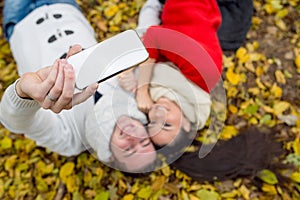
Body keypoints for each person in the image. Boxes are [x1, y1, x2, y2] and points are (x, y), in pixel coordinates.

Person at [0, 0, 158, 173]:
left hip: (21, 20)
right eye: (143, 141)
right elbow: (146, 37)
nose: (133, 137)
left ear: (111, 157)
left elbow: (17, 122)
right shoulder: (134, 94)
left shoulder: (70, 139)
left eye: (128, 150)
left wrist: (23, 92)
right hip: (65, 7)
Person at [120, 0, 222, 146]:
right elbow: (154, 35)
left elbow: (153, 51)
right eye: (166, 125)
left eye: (153, 122)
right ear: (187, 125)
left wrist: (130, 76)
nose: (158, 113)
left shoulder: (167, 89)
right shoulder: (202, 72)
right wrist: (142, 89)